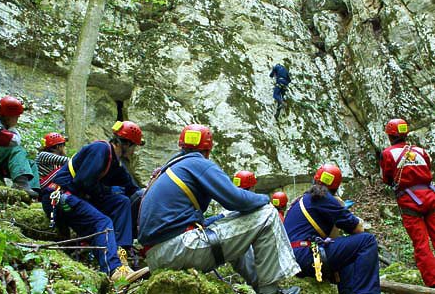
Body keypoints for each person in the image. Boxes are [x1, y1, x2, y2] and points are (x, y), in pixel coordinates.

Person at [138, 124, 301, 294]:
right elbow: (237, 200)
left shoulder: (172, 167)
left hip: (158, 256)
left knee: (233, 223)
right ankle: (270, 291)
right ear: (208, 151)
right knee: (267, 214)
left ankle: (261, 287)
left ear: (182, 145)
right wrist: (266, 199)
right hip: (178, 250)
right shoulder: (198, 163)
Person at [46, 121, 149, 283]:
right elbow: (83, 182)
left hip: (75, 196)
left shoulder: (115, 164)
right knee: (102, 222)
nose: (134, 151)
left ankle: (121, 255)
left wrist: (150, 191)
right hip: (61, 195)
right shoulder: (101, 150)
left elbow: (131, 188)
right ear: (127, 144)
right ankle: (114, 270)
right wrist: (108, 191)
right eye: (134, 146)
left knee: (121, 201)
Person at [284, 164, 380, 294]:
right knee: (367, 241)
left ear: (315, 180)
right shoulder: (324, 197)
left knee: (348, 254)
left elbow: (333, 238)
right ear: (336, 187)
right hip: (306, 255)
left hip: (293, 257)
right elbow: (358, 229)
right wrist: (342, 207)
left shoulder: (303, 199)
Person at [379, 118, 435, 287]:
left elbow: (386, 178)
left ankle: (432, 282)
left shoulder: (387, 154)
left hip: (410, 201)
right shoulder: (420, 151)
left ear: (390, 135)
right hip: (430, 196)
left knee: (421, 243)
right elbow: (428, 169)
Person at [0, 95, 39, 198]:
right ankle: (21, 184)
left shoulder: (1, 122)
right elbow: (13, 142)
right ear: (8, 115)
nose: (17, 120)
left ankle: (33, 191)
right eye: (17, 116)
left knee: (30, 163)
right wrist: (12, 128)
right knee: (17, 150)